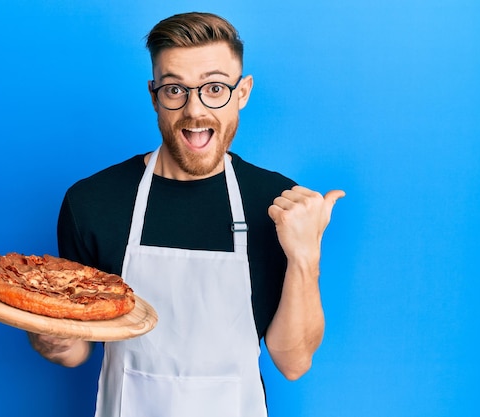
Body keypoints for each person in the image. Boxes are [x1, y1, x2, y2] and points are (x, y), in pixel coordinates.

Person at [28, 11, 344, 417]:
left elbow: (293, 361)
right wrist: (46, 332)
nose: (195, 111)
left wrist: (305, 257)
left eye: (215, 88)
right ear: (154, 94)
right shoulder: (92, 201)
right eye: (175, 89)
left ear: (242, 92)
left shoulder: (277, 203)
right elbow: (74, 351)